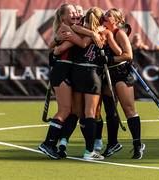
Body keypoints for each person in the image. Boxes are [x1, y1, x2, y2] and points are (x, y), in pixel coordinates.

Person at [55, 7, 123, 160]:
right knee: (90, 113)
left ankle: (63, 141)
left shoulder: (79, 31)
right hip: (92, 74)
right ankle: (89, 152)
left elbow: (72, 30)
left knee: (75, 112)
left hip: (76, 73)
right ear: (99, 19)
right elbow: (119, 52)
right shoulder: (104, 33)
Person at [38, 4, 91, 160]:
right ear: (63, 16)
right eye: (71, 12)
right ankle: (48, 143)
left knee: (70, 111)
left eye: (76, 12)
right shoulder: (66, 29)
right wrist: (92, 34)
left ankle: (55, 144)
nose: (75, 14)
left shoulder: (71, 28)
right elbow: (78, 44)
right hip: (62, 69)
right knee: (64, 111)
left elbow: (57, 46)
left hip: (67, 70)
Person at [101, 8, 146, 159]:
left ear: (117, 21)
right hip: (107, 75)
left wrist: (109, 59)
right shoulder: (102, 32)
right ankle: (112, 143)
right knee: (110, 111)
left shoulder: (118, 33)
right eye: (105, 14)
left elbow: (128, 55)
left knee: (128, 110)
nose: (105, 16)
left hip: (120, 73)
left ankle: (137, 144)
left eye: (109, 15)